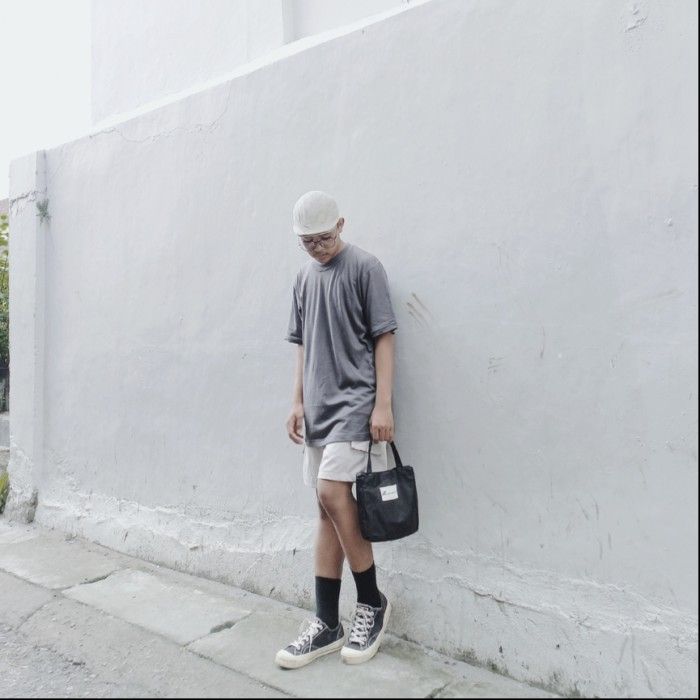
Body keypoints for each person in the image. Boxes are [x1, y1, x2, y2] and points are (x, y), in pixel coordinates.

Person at [275, 190, 398, 669]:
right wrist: (297, 401)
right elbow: (302, 344)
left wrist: (382, 405)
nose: (317, 248)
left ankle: (371, 601)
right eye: (307, 242)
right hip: (319, 409)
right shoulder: (303, 278)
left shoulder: (366, 268)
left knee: (332, 492)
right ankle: (327, 621)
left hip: (356, 405)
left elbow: (384, 337)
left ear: (341, 226)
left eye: (324, 239)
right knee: (325, 509)